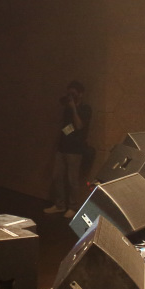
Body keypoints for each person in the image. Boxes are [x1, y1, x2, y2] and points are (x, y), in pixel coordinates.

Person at [43, 80, 92, 218]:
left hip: (75, 150)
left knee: (72, 180)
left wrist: (74, 108)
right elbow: (65, 128)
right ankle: (59, 205)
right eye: (69, 93)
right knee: (57, 177)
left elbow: (79, 126)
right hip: (62, 148)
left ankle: (73, 207)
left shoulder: (86, 109)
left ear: (80, 94)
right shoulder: (67, 109)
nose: (70, 96)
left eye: (73, 94)